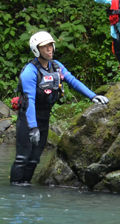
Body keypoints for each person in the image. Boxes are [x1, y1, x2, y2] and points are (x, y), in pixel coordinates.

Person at [10, 31, 109, 185]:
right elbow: (29, 101)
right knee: (23, 158)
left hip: (44, 117)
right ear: (37, 50)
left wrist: (93, 96)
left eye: (51, 45)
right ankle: (15, 189)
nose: (50, 49)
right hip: (28, 120)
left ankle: (25, 187)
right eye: (45, 47)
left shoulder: (57, 66)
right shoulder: (30, 72)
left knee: (35, 158)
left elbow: (73, 81)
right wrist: (33, 127)